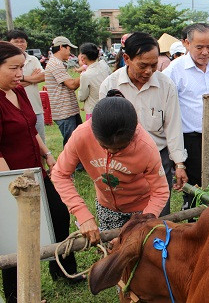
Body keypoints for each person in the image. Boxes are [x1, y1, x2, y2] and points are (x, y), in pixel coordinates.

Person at [0, 42, 81, 303]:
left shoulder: (19, 92)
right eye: (13, 68)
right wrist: (11, 185)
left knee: (59, 215)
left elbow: (31, 130)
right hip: (12, 181)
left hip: (36, 171)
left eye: (21, 68)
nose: (19, 74)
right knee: (15, 237)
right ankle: (17, 295)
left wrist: (48, 154)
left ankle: (63, 269)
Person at [51, 96, 169, 243]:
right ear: (93, 133)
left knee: (140, 256)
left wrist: (141, 224)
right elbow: (60, 174)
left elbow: (160, 191)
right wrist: (82, 215)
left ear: (133, 135)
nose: (112, 152)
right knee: (111, 254)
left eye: (120, 148)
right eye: (105, 147)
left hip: (142, 209)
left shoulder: (146, 147)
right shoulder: (81, 136)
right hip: (107, 207)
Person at [100, 32, 187, 216]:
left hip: (158, 159)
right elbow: (103, 128)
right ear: (127, 59)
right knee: (127, 217)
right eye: (143, 65)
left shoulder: (166, 85)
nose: (148, 71)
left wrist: (179, 164)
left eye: (154, 65)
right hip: (122, 160)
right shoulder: (110, 85)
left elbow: (173, 127)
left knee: (158, 214)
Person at [163, 23, 209, 210]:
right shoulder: (174, 70)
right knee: (195, 192)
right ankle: (195, 230)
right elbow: (166, 109)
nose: (205, 52)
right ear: (186, 43)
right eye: (199, 47)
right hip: (192, 141)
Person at [6, 29, 46, 142]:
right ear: (9, 43)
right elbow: (9, 84)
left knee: (40, 142)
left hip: (35, 108)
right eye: (16, 41)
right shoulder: (4, 61)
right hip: (14, 111)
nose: (20, 44)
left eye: (22, 41)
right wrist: (32, 79)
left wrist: (21, 79)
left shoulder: (32, 59)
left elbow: (42, 77)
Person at [44, 36, 82, 147]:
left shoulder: (58, 63)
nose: (70, 53)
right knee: (71, 145)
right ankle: (71, 165)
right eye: (69, 49)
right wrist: (87, 74)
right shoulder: (55, 64)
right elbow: (71, 84)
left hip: (69, 110)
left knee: (78, 142)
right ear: (61, 47)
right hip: (64, 112)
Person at [77, 43, 111, 120]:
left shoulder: (86, 75)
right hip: (108, 107)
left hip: (93, 110)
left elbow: (82, 96)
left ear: (83, 58)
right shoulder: (104, 65)